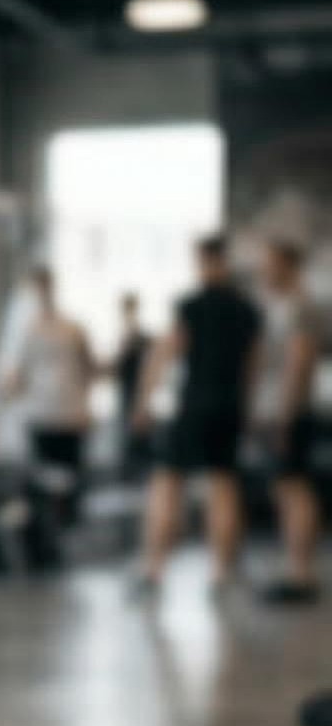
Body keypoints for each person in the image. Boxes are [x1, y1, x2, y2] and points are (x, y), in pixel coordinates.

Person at [133, 234, 262, 594]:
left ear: (203, 261)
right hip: (229, 408)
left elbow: (167, 352)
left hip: (194, 405)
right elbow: (253, 367)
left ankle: (153, 567)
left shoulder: (190, 305)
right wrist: (247, 409)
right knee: (223, 485)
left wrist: (143, 401)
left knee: (167, 482)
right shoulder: (246, 309)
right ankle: (221, 570)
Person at [0, 265, 93, 564]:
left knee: (64, 487)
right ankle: (46, 544)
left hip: (67, 415)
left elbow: (87, 367)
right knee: (44, 486)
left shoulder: (72, 328)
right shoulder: (30, 331)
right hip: (43, 417)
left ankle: (58, 542)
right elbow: (17, 376)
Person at [253, 239, 321, 603]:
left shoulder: (301, 307)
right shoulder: (276, 306)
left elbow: (299, 361)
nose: (264, 271)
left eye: (270, 263)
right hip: (274, 411)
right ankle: (293, 568)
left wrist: (285, 414)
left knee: (294, 487)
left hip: (290, 413)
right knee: (284, 489)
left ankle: (301, 574)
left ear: (288, 265)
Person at [111, 292, 152, 479]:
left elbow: (147, 369)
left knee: (137, 438)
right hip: (125, 392)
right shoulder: (123, 336)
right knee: (127, 437)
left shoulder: (140, 337)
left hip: (137, 393)